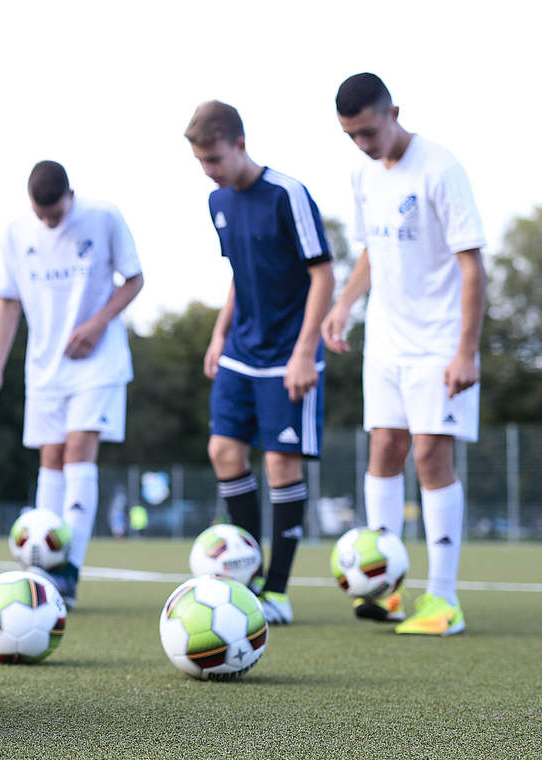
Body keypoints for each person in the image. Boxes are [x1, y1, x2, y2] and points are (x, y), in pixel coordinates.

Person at [323, 73, 485, 637]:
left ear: (394, 111)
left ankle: (443, 600)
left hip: (438, 344)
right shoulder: (362, 174)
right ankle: (387, 591)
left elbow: (472, 266)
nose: (364, 144)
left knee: (430, 459)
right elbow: (371, 249)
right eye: (352, 136)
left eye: (369, 131)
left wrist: (467, 351)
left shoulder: (441, 169)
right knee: (384, 449)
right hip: (386, 343)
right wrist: (344, 303)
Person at [184, 101, 334, 626]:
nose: (209, 170)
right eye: (201, 162)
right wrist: (218, 333)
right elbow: (238, 273)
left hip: (289, 353)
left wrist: (303, 352)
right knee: (224, 450)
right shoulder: (216, 201)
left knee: (280, 463)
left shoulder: (288, 195)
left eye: (215, 159)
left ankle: (278, 590)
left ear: (240, 144)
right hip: (240, 351)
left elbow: (322, 274)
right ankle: (247, 577)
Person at [0, 160, 144, 607]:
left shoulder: (103, 216)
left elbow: (135, 278)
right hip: (44, 366)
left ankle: (69, 570)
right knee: (50, 458)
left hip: (98, 362)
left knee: (78, 450)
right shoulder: (15, 233)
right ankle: (43, 568)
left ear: (69, 195)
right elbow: (6, 304)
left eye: (55, 213)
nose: (48, 222)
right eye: (40, 214)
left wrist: (98, 324)